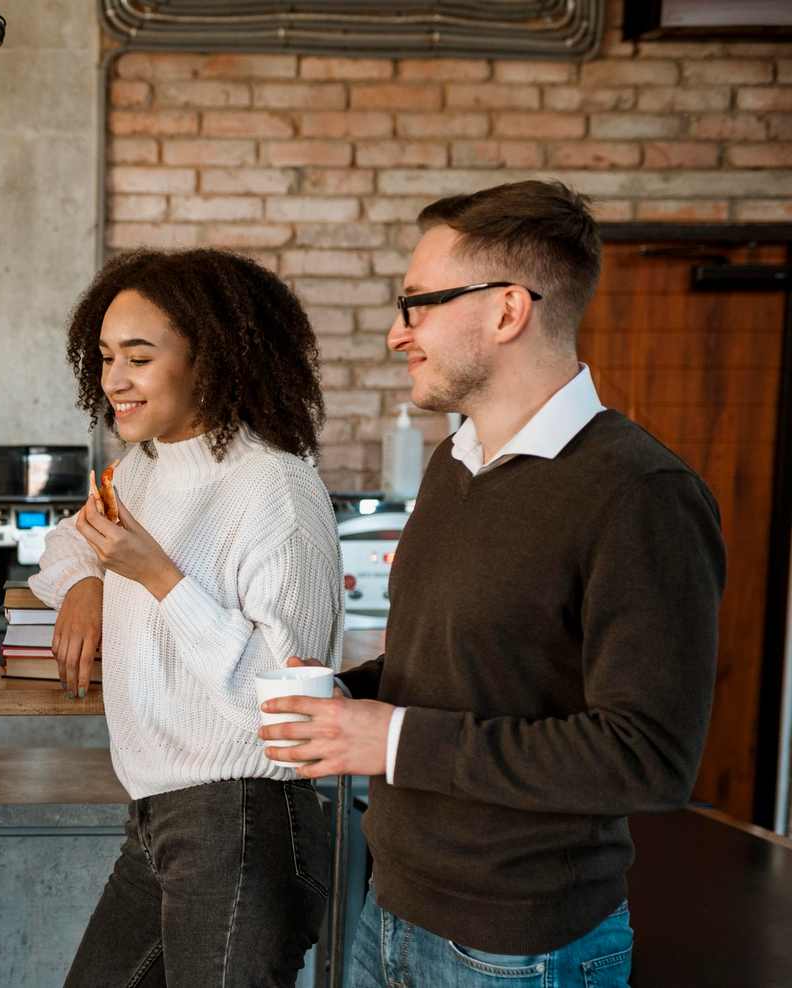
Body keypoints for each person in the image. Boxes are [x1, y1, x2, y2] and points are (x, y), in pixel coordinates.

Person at [262, 181, 725, 986]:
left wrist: (392, 739)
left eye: (417, 306)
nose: (395, 334)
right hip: (392, 913)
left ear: (509, 310)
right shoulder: (455, 462)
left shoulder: (641, 493)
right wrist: (344, 699)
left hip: (521, 950)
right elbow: (462, 675)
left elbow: (647, 757)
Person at [30, 248, 342, 987]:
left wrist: (159, 578)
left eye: (139, 357)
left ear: (214, 359)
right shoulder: (141, 471)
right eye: (105, 357)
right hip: (157, 817)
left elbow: (290, 707)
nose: (114, 380)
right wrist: (87, 586)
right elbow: (63, 546)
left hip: (244, 819)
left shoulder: (276, 487)